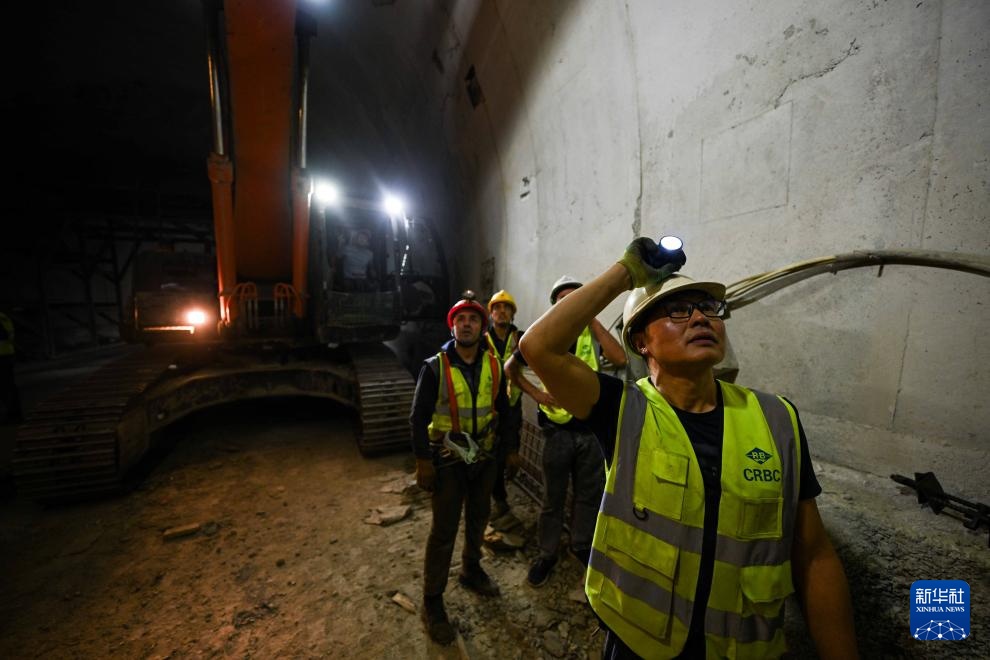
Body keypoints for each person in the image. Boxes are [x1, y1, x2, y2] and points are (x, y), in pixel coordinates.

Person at [517, 238, 858, 659]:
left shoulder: (777, 419)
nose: (700, 317)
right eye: (678, 310)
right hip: (641, 645)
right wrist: (627, 273)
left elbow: (813, 554)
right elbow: (538, 347)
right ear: (641, 341)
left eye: (708, 308)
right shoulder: (623, 410)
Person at [409, 294, 519, 645]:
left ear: (482, 327)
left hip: (484, 457)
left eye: (473, 319)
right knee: (443, 531)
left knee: (477, 518)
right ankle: (432, 602)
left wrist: (510, 450)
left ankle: (471, 569)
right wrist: (423, 461)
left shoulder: (493, 365)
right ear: (452, 327)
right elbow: (418, 418)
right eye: (461, 319)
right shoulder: (435, 367)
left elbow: (506, 410)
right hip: (448, 460)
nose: (467, 324)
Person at [504, 275, 626, 588]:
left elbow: (619, 358)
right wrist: (536, 394)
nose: (571, 303)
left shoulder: (591, 333)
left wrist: (592, 318)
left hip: (590, 432)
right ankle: (547, 553)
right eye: (564, 300)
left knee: (588, 495)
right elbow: (510, 368)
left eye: (576, 298)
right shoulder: (544, 336)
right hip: (557, 433)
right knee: (552, 497)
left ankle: (580, 544)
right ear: (554, 306)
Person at [485, 289, 524, 520]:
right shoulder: (483, 340)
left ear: (512, 313)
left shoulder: (521, 339)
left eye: (506, 307)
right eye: (497, 308)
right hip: (488, 405)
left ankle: (501, 494)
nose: (501, 311)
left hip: (512, 404)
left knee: (509, 451)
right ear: (491, 314)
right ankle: (497, 497)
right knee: (490, 454)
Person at [0, 311, 22, 424]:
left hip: (2, 356)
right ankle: (13, 413)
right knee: (7, 386)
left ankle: (13, 415)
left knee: (6, 387)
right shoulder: (3, 317)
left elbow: (3, 335)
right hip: (6, 354)